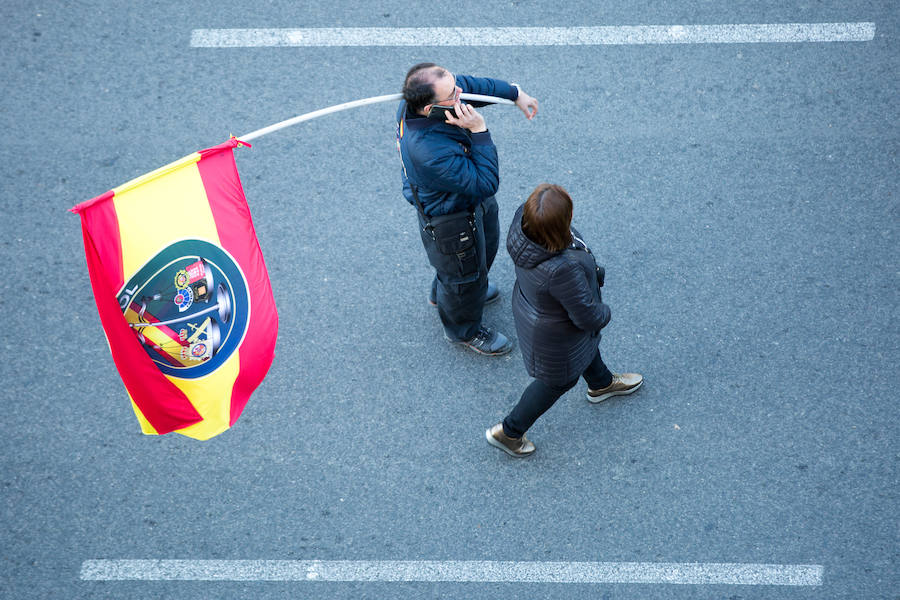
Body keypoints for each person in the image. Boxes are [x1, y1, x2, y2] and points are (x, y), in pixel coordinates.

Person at [485, 183, 643, 457]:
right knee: (558, 382)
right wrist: (605, 312)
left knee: (585, 350)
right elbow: (586, 316)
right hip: (556, 339)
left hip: (542, 318)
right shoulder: (561, 269)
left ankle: (601, 384)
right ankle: (509, 432)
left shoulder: (525, 225)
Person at [396, 63, 539, 356]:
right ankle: (464, 329)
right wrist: (479, 131)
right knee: (463, 275)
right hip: (452, 218)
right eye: (452, 93)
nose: (461, 93)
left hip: (466, 198)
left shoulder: (433, 99)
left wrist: (514, 93)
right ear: (429, 109)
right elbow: (486, 182)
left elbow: (472, 86)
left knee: (475, 261)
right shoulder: (428, 151)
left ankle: (451, 293)